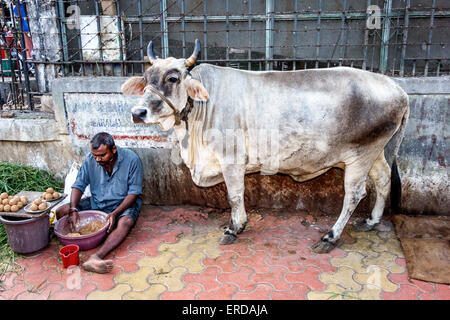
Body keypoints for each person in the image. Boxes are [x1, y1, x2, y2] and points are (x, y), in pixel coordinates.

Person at [56, 132, 143, 274]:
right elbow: (79, 185)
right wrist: (73, 209)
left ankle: (96, 257)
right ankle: (70, 239)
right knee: (62, 211)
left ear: (113, 149)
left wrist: (115, 213)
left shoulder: (132, 160)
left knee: (125, 222)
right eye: (95, 155)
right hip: (97, 203)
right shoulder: (91, 159)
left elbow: (134, 193)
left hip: (122, 206)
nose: (98, 159)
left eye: (102, 155)